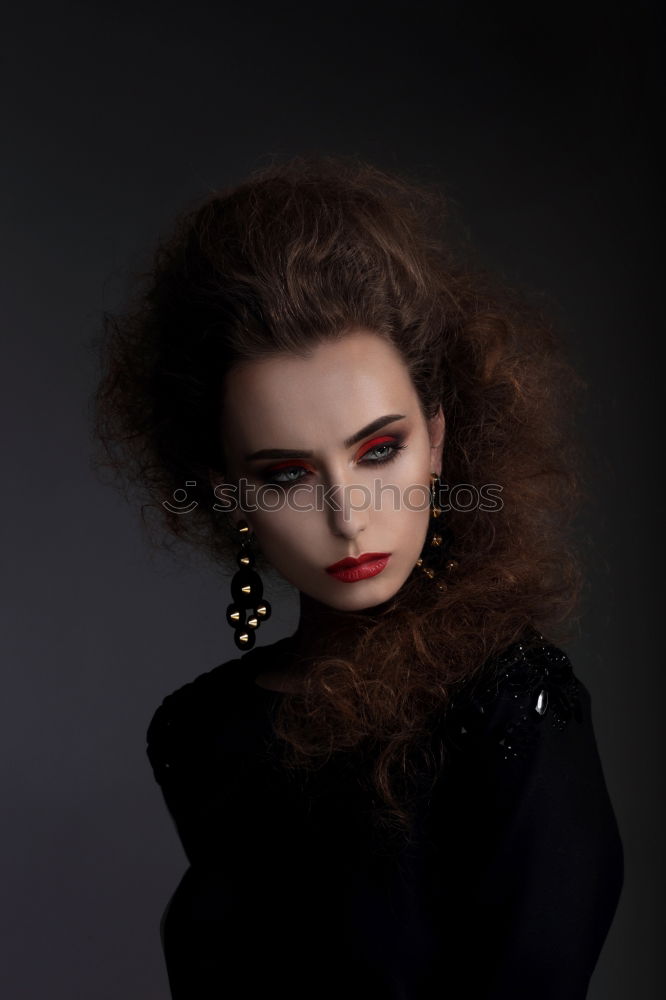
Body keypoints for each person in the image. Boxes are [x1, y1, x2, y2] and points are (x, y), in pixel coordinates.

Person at [92, 155, 624, 998]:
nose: (349, 514)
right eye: (284, 474)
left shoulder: (511, 709)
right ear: (230, 491)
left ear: (439, 437)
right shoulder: (198, 736)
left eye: (380, 451)